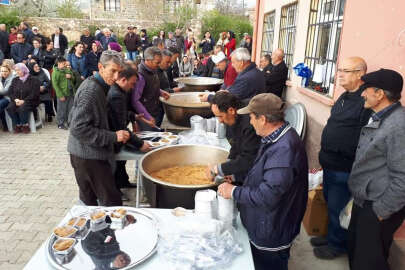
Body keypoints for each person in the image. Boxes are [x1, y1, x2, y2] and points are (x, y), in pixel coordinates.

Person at [217, 93, 308, 270]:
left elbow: (268, 196)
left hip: (273, 227)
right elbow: (264, 173)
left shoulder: (284, 150)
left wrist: (233, 191)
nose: (250, 122)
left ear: (263, 119)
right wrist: (237, 178)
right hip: (267, 221)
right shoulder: (275, 137)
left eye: (251, 117)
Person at [313, 57, 372, 259]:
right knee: (331, 203)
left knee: (338, 208)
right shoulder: (345, 95)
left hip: (344, 167)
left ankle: (337, 245)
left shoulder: (366, 100)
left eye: (345, 71)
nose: (340, 74)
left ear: (360, 74)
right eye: (340, 70)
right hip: (330, 164)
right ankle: (331, 236)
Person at [347, 69, 405, 270]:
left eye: (366, 89)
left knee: (369, 262)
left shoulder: (399, 125)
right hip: (365, 201)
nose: (362, 93)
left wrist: (381, 211)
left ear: (380, 94)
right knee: (357, 252)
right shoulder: (378, 115)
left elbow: (403, 178)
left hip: (378, 206)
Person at [68, 50, 129, 207]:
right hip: (88, 157)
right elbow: (77, 127)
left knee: (89, 202)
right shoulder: (92, 91)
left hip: (85, 154)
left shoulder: (100, 87)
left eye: (119, 72)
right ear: (100, 67)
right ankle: (109, 231)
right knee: (112, 204)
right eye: (112, 71)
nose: (116, 77)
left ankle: (96, 230)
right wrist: (113, 137)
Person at [107, 66, 151, 198]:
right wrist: (140, 144)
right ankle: (116, 191)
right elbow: (121, 126)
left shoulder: (120, 91)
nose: (132, 88)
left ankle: (123, 182)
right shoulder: (116, 95)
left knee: (121, 163)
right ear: (123, 80)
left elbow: (121, 113)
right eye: (132, 84)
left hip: (119, 134)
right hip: (114, 136)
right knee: (116, 164)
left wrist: (133, 116)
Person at [207, 92, 261, 184]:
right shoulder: (235, 116)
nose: (220, 121)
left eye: (220, 116)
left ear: (231, 110)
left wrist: (218, 169)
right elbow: (237, 142)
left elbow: (248, 158)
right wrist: (229, 162)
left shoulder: (249, 124)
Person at [201, 48, 265, 103]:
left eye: (233, 62)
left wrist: (209, 97)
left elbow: (229, 99)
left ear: (241, 62)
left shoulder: (246, 77)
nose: (232, 65)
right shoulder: (255, 71)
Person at [136, 47, 170, 129]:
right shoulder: (140, 75)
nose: (159, 65)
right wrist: (148, 117)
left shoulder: (152, 69)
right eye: (157, 62)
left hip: (154, 110)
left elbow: (149, 86)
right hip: (146, 116)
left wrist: (160, 92)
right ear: (148, 60)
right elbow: (135, 100)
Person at [6, 63, 40, 133]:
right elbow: (10, 92)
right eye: (16, 70)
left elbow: (35, 94)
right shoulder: (15, 80)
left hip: (31, 101)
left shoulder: (33, 80)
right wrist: (15, 99)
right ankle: (18, 124)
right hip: (17, 101)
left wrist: (24, 101)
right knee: (10, 107)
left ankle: (25, 124)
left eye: (19, 70)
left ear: (24, 70)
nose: (17, 72)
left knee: (22, 108)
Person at [52, 57, 76, 129]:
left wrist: (70, 77)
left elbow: (73, 79)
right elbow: (55, 85)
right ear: (59, 63)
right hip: (62, 94)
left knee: (70, 109)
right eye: (63, 63)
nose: (65, 64)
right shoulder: (55, 72)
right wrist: (60, 95)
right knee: (61, 109)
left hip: (70, 92)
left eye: (65, 63)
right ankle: (60, 123)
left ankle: (69, 122)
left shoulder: (67, 70)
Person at [0, 64, 14, 131]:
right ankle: (4, 124)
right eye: (2, 71)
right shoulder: (1, 77)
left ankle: (5, 124)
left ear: (9, 71)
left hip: (9, 97)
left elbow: (6, 91)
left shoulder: (12, 78)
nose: (3, 73)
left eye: (5, 71)